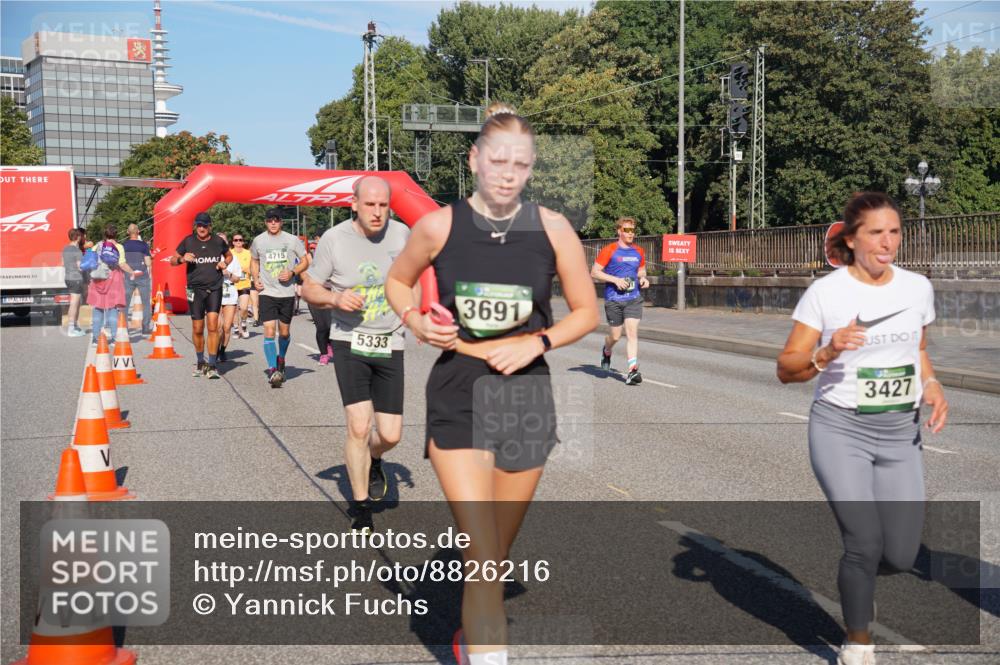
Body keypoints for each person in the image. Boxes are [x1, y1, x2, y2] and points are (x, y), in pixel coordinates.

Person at [385, 103, 598, 664]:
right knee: (483, 555)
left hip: (526, 397)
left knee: (494, 558)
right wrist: (415, 321)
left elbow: (585, 312)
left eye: (521, 164)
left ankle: (468, 636)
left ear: (531, 170)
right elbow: (398, 282)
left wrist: (538, 341)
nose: (507, 173)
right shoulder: (438, 226)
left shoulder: (553, 229)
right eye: (498, 159)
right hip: (458, 391)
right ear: (475, 159)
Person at [777, 192, 948, 665]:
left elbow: (918, 347)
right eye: (876, 232)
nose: (887, 241)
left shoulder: (916, 288)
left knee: (900, 555)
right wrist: (828, 351)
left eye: (894, 231)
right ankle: (858, 640)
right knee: (864, 542)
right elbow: (786, 368)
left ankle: (861, 580)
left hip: (900, 432)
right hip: (840, 429)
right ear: (851, 240)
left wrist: (931, 384)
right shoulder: (826, 294)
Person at [303, 176, 409, 532]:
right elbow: (309, 288)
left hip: (390, 339)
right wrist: (335, 298)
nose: (377, 212)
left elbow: (417, 277)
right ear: (354, 204)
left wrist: (419, 314)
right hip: (350, 339)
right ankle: (361, 506)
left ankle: (375, 457)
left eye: (383, 205)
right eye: (370, 205)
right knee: (359, 425)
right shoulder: (334, 240)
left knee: (391, 434)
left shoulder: (403, 234)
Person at [250, 208, 309, 387]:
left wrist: (292, 272)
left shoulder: (292, 240)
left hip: (287, 293)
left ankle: (281, 358)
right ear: (266, 222)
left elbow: (306, 260)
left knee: (284, 333)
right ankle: (272, 370)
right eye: (270, 220)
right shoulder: (258, 240)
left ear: (281, 222)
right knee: (269, 331)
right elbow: (254, 260)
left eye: (276, 220)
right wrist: (256, 278)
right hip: (267, 292)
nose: (273, 223)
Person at [170, 212, 231, 379]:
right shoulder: (188, 241)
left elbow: (229, 255)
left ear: (210, 226)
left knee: (212, 326)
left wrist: (224, 263)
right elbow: (172, 260)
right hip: (194, 289)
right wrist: (183, 259)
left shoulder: (218, 241)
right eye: (199, 225)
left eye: (204, 225)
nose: (201, 228)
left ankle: (212, 364)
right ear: (195, 226)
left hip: (214, 288)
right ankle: (200, 361)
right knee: (197, 328)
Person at [592, 216, 649, 385]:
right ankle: (607, 350)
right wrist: (615, 280)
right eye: (627, 230)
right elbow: (594, 272)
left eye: (633, 230)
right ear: (619, 231)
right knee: (615, 336)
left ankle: (632, 371)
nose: (631, 234)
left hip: (633, 298)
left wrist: (643, 279)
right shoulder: (609, 250)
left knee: (632, 334)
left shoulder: (638, 251)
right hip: (613, 299)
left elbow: (641, 271)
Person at [87, 225, 132, 345]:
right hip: (113, 279)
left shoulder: (97, 246)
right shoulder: (119, 247)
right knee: (112, 309)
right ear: (116, 234)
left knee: (97, 308)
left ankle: (96, 339)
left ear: (105, 235)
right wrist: (132, 272)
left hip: (98, 278)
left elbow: (91, 261)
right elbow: (122, 264)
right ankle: (114, 338)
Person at [122, 223, 154, 335]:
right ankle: (145, 327)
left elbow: (121, 262)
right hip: (142, 276)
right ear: (138, 232)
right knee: (146, 303)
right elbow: (148, 262)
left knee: (125, 303)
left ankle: (124, 327)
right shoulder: (144, 245)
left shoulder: (123, 245)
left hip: (128, 277)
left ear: (127, 232)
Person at [216, 232, 243, 364]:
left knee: (227, 327)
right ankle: (214, 350)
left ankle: (222, 350)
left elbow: (238, 279)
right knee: (218, 327)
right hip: (215, 294)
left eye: (223, 240)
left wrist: (229, 273)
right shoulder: (211, 257)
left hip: (230, 294)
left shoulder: (233, 259)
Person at [62, 228, 87, 337]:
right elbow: (80, 267)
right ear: (77, 237)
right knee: (74, 302)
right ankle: (71, 328)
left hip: (68, 277)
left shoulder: (65, 249)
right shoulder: (77, 251)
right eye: (80, 236)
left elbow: (62, 263)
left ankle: (74, 326)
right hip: (76, 278)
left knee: (76, 302)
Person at [229, 232, 253, 339]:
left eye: (240, 240)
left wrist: (245, 269)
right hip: (232, 284)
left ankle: (243, 324)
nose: (238, 242)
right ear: (233, 242)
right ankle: (235, 328)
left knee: (243, 308)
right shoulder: (229, 253)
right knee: (233, 309)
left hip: (244, 284)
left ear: (243, 242)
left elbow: (253, 268)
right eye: (236, 240)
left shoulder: (248, 253)